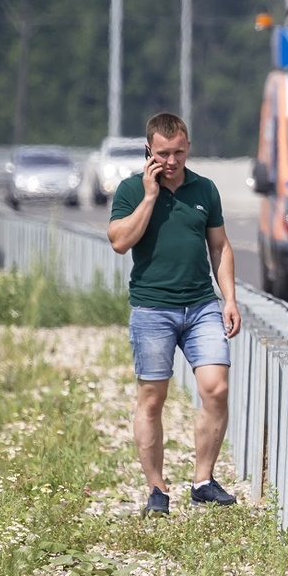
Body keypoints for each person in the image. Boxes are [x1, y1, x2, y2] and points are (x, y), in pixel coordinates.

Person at [107, 112, 242, 518]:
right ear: (149, 150)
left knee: (216, 388)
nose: (171, 161)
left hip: (201, 304)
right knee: (153, 398)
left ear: (188, 149)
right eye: (163, 153)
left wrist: (230, 299)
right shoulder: (131, 189)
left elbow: (219, 247)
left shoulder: (205, 189)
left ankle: (203, 480)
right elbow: (119, 242)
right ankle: (157, 489)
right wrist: (150, 196)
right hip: (152, 308)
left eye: (178, 152)